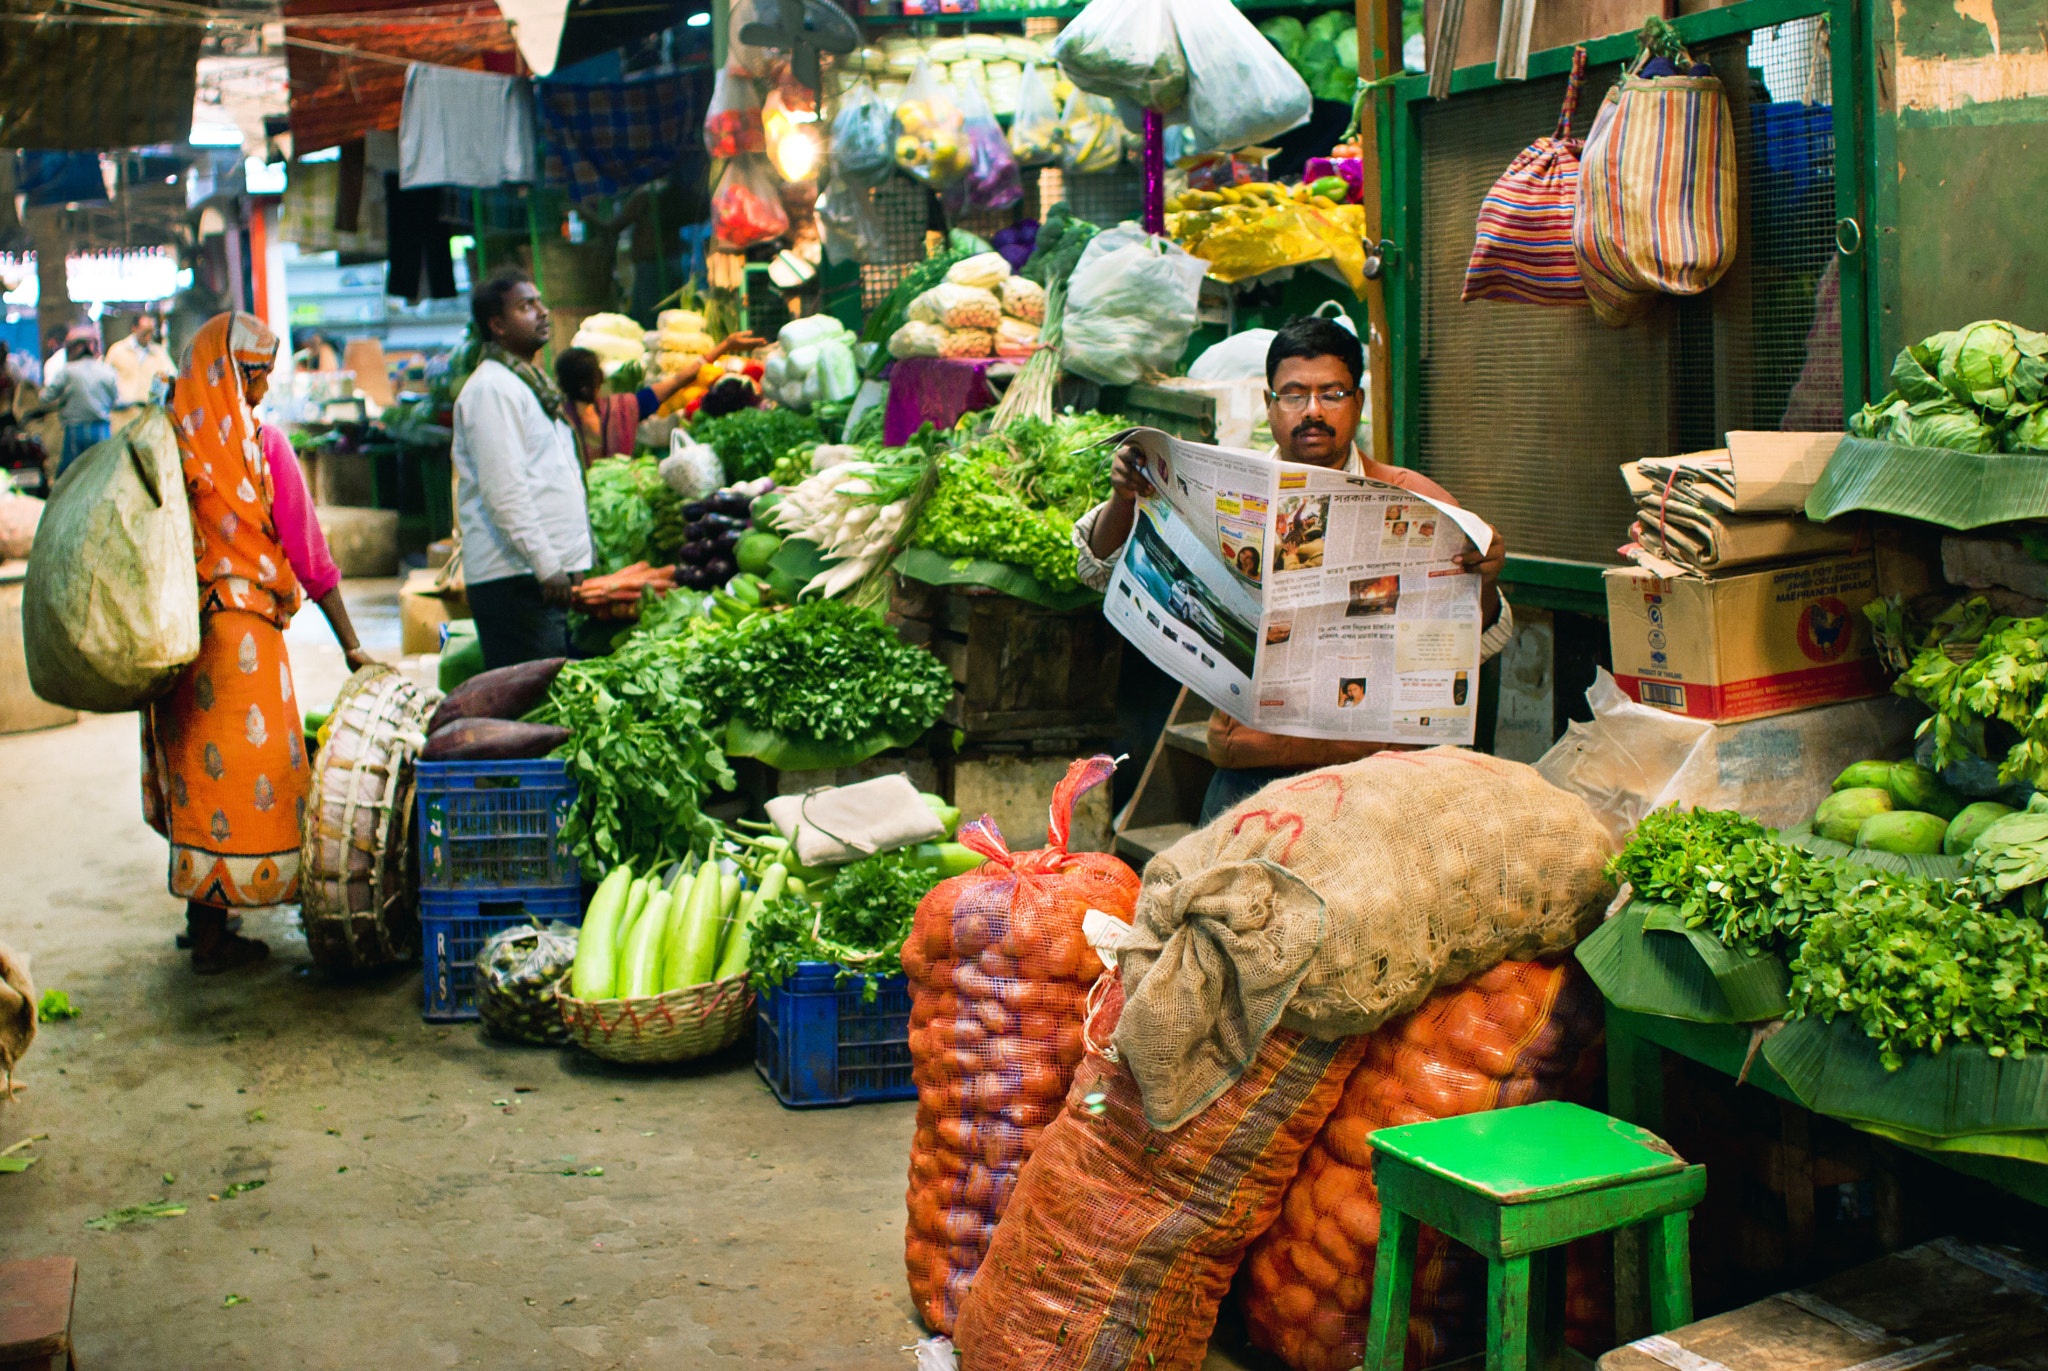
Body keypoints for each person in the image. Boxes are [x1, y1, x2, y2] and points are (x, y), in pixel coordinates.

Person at [1075, 315, 1516, 822]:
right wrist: (1123, 496)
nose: (1312, 412)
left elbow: (1477, 638)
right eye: (1293, 394)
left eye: (1332, 394)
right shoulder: (1222, 489)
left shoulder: (1412, 497)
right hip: (1254, 766)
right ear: (1269, 405)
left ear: (1358, 403)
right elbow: (1100, 568)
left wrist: (1485, 578)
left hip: (1381, 774)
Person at [140, 312, 373, 973]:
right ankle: (215, 942)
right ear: (224, 372)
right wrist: (352, 642)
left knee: (197, 778)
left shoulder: (172, 442)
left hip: (179, 635)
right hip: (241, 643)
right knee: (250, 782)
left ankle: (203, 918)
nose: (264, 390)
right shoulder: (262, 448)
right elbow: (308, 551)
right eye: (254, 374)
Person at [452, 272, 593, 670]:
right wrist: (548, 566)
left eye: (539, 302)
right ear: (497, 326)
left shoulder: (525, 384)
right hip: (515, 579)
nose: (542, 312)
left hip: (534, 576)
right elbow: (505, 493)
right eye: (525, 306)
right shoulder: (492, 390)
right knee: (536, 715)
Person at [555, 331, 765, 469]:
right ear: (598, 380)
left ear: (562, 385)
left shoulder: (556, 421)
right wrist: (723, 347)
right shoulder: (623, 408)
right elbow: (678, 380)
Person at [32, 328, 119, 477]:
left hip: (75, 431)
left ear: (72, 348)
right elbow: (116, 401)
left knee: (71, 477)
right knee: (103, 474)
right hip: (101, 430)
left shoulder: (66, 372)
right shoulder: (108, 371)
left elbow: (45, 398)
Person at [105, 311, 178, 422]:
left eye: (151, 332)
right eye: (145, 332)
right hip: (122, 414)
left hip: (148, 415)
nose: (148, 336)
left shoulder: (158, 352)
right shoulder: (117, 350)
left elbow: (172, 375)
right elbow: (106, 379)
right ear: (134, 328)